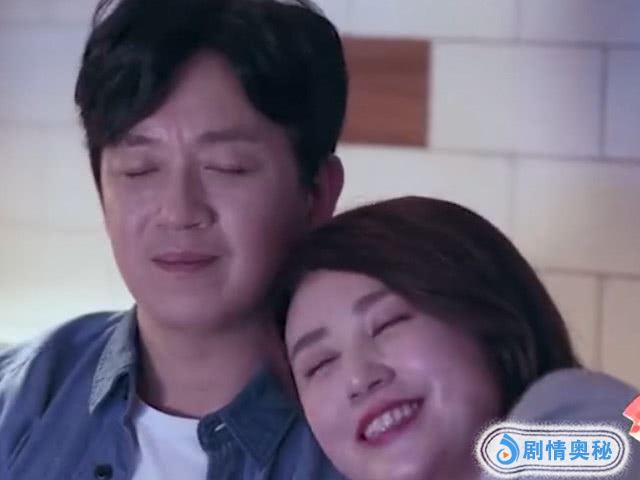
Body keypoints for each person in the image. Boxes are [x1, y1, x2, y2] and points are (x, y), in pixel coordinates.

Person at [0, 0, 348, 479]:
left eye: (227, 167)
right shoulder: (20, 400)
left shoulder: (380, 439)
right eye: (139, 169)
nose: (179, 212)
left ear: (317, 194)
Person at [277, 196, 640, 480]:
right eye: (319, 364)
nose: (359, 378)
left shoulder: (581, 414)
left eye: (388, 323)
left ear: (489, 317)